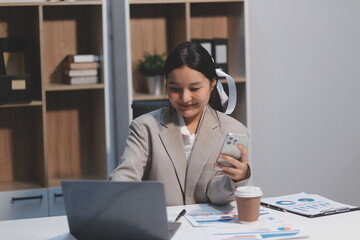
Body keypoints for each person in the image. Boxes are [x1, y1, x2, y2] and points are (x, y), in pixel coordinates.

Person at [109, 42, 250, 206]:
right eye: (175, 89)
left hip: (207, 226)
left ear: (212, 84)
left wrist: (237, 178)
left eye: (194, 88)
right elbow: (126, 174)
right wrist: (118, 193)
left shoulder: (233, 131)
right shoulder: (145, 127)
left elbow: (216, 194)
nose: (185, 98)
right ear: (166, 85)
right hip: (161, 224)